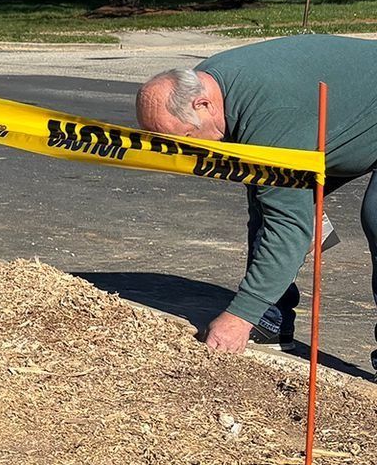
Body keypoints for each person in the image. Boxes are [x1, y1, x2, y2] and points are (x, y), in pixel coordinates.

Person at [135, 35, 377, 365]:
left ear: (202, 105)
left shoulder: (270, 114)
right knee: (270, 201)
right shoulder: (207, 84)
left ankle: (258, 313)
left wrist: (239, 316)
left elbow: (288, 225)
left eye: (188, 139)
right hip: (335, 119)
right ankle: (272, 319)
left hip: (351, 117)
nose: (191, 152)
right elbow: (268, 191)